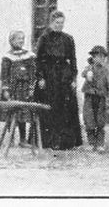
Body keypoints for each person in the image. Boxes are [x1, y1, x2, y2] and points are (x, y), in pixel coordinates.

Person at [34, 10, 83, 150]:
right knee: (51, 108)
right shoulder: (44, 38)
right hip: (49, 76)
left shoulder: (68, 39)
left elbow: (73, 60)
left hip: (64, 76)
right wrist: (40, 77)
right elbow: (38, 60)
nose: (59, 25)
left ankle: (66, 141)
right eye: (57, 23)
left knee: (66, 108)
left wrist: (74, 78)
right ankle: (50, 141)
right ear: (51, 23)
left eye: (61, 23)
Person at [0, 30, 36, 146]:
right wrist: (5, 89)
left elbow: (33, 73)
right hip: (12, 89)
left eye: (22, 38)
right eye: (18, 38)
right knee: (11, 112)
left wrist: (31, 87)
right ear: (11, 41)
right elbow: (4, 74)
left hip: (24, 88)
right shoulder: (7, 57)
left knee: (23, 113)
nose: (21, 41)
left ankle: (22, 139)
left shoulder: (29, 56)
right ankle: (10, 138)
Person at [81, 45, 109, 152]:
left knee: (100, 121)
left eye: (102, 57)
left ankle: (100, 143)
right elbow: (83, 73)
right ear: (93, 57)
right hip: (89, 96)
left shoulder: (106, 70)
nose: (99, 59)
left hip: (101, 97)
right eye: (97, 56)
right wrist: (87, 74)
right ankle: (91, 143)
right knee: (89, 119)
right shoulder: (89, 67)